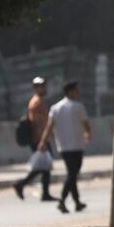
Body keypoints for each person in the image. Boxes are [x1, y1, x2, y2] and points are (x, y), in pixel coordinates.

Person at [38, 81, 92, 214]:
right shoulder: (78, 107)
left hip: (63, 146)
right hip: (77, 145)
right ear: (70, 92)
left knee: (71, 173)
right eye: (76, 90)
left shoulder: (55, 108)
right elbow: (86, 125)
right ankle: (62, 200)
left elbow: (49, 127)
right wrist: (88, 134)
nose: (78, 93)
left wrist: (43, 141)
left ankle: (77, 202)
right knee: (73, 174)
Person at [13, 77, 56, 202]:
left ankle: (42, 192)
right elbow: (37, 123)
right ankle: (22, 184)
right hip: (38, 140)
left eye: (44, 85)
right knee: (43, 167)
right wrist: (42, 141)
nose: (43, 88)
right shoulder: (36, 103)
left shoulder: (40, 101)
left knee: (44, 167)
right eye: (40, 86)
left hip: (41, 139)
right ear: (35, 88)